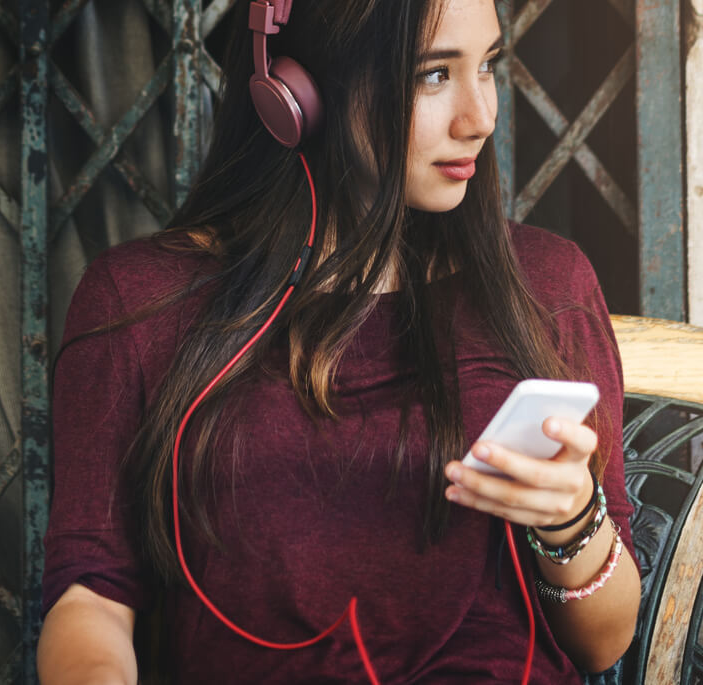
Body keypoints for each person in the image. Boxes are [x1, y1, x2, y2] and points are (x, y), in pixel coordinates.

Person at [36, 0, 641, 682]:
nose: (482, 118)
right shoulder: (140, 301)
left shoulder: (546, 285)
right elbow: (92, 596)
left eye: (489, 66)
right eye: (432, 76)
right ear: (295, 92)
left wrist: (571, 522)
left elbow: (603, 643)